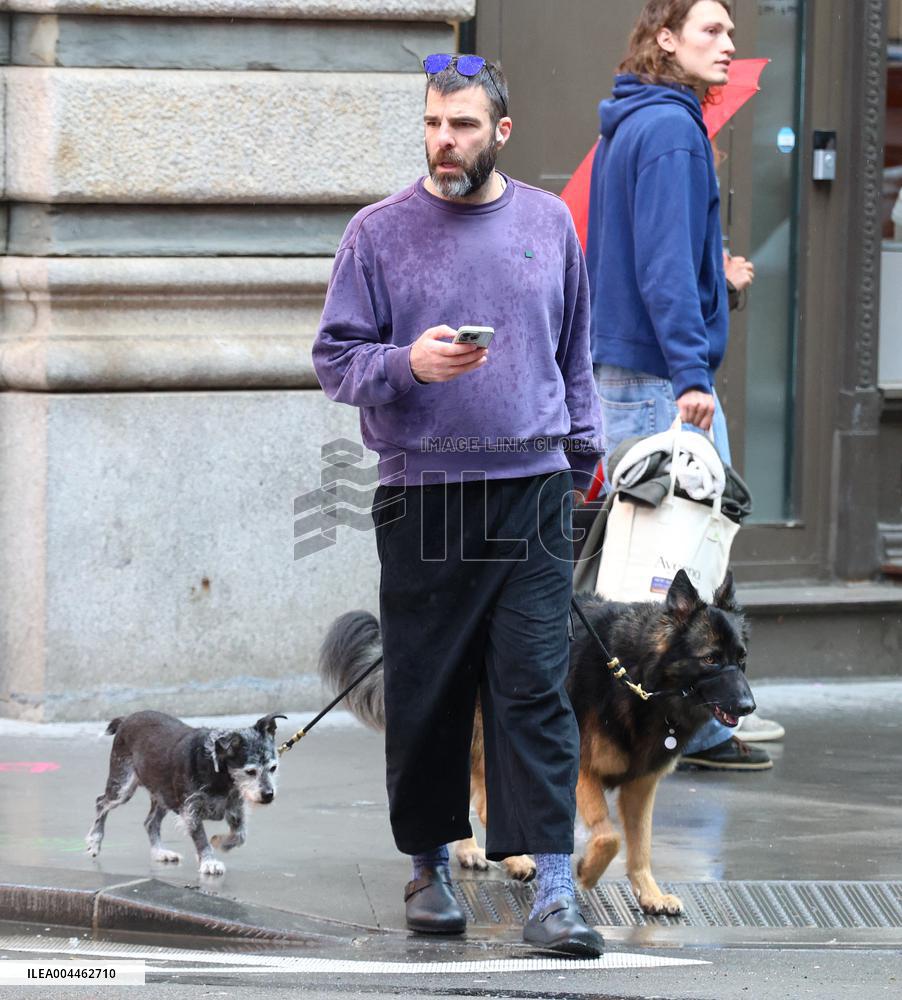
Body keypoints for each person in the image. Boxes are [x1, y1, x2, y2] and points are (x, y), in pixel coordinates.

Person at [312, 54, 604, 956]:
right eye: (435, 123)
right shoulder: (378, 232)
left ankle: (554, 892)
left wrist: (584, 460)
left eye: (464, 126)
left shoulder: (550, 223)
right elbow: (335, 360)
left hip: (533, 491)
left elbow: (575, 354)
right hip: (423, 495)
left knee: (535, 690)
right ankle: (430, 865)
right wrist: (409, 364)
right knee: (429, 690)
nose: (445, 141)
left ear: (501, 133)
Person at [585, 0, 782, 769]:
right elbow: (662, 264)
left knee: (657, 556)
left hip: (637, 366)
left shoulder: (640, 122)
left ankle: (685, 719)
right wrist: (692, 372)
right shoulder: (670, 130)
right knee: (682, 555)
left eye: (731, 31)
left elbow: (655, 255)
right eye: (711, 30)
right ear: (666, 39)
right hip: (659, 378)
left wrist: (717, 281)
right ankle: (695, 722)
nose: (728, 44)